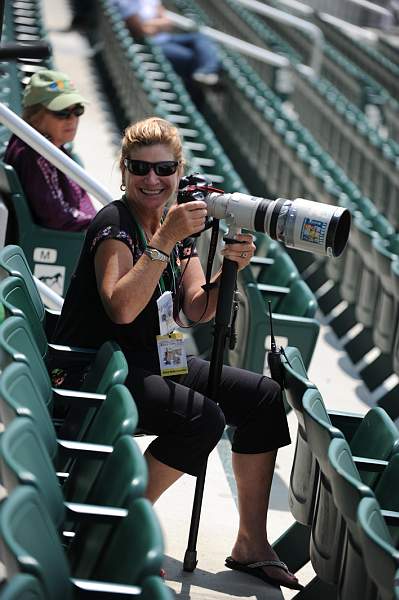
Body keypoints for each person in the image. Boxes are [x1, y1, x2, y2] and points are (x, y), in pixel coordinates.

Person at [52, 116, 302, 591]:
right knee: (201, 418)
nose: (152, 180)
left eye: (164, 169)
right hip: (95, 371)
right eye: (140, 169)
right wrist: (164, 240)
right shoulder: (115, 226)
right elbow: (122, 308)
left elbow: (196, 308)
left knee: (265, 397)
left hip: (149, 362)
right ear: (123, 170)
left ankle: (250, 542)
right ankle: (114, 522)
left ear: (178, 169)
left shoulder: (175, 225)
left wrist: (230, 269)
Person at [4, 69, 97, 231]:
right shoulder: (34, 154)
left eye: (77, 111)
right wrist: (100, 225)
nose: (73, 119)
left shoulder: (48, 145)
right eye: (62, 113)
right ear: (35, 115)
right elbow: (56, 216)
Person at [111, 0, 221, 85]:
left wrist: (150, 24)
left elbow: (167, 23)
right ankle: (202, 78)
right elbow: (141, 31)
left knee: (200, 37)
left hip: (165, 38)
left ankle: (207, 71)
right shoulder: (125, 2)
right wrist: (157, 25)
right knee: (191, 58)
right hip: (149, 44)